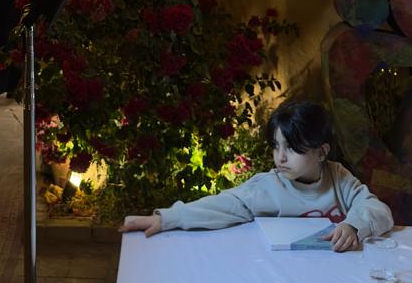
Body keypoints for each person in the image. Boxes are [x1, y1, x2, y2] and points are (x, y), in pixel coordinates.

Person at [121, 99, 393, 250]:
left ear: (322, 152)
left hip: (334, 278)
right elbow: (222, 205)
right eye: (276, 146)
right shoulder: (267, 187)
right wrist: (167, 218)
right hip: (284, 279)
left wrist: (353, 225)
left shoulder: (339, 178)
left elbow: (377, 209)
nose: (280, 157)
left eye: (292, 148)